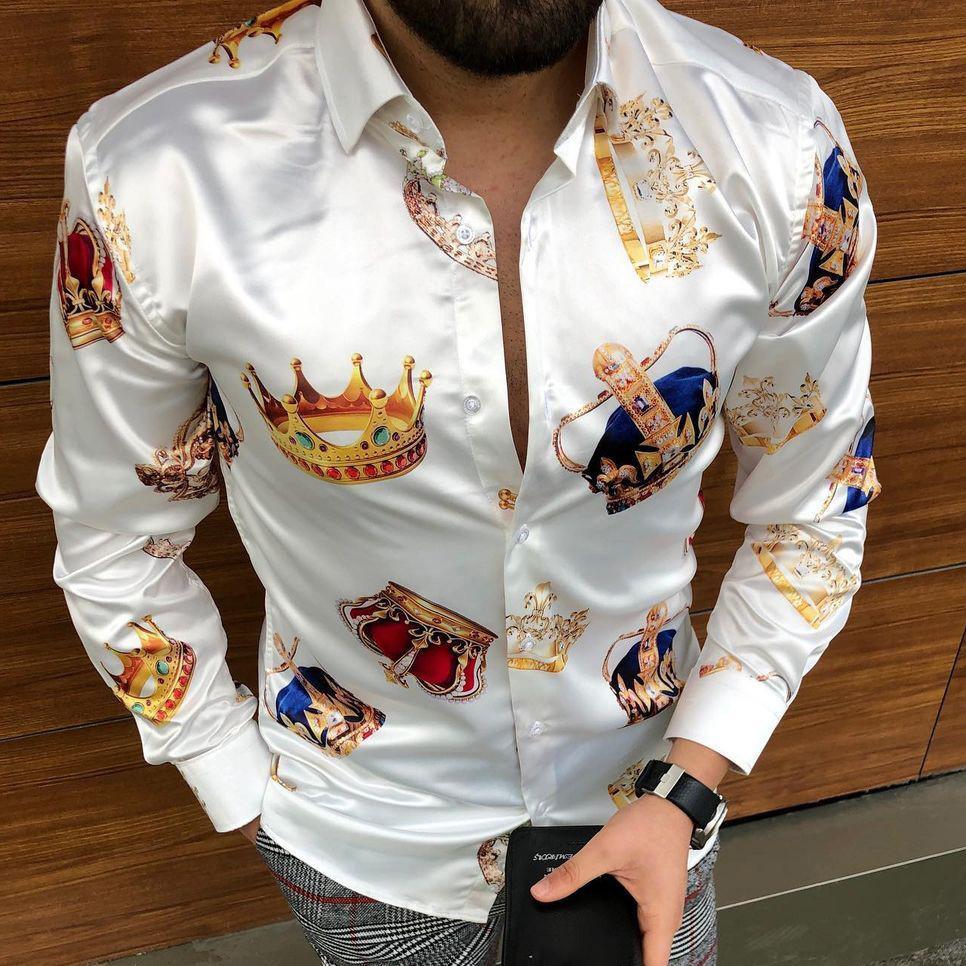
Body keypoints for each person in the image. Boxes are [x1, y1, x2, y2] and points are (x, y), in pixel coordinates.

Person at [35, 0, 879, 962]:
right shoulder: (155, 171)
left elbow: (817, 503)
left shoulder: (773, 143)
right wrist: (239, 783)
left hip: (653, 804)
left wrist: (691, 784)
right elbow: (115, 538)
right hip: (357, 842)